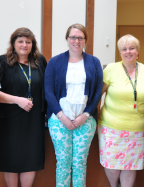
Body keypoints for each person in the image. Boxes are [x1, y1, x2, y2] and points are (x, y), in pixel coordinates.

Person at [44, 23, 103, 187]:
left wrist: (85, 115)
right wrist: (62, 116)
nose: (76, 40)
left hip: (86, 120)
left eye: (80, 37)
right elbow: (48, 91)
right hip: (59, 120)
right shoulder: (55, 62)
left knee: (80, 163)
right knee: (63, 163)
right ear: (67, 39)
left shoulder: (94, 62)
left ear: (85, 40)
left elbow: (98, 92)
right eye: (73, 37)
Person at [0, 28, 47, 187]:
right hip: (8, 122)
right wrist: (17, 100)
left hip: (33, 120)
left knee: (31, 158)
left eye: (28, 42)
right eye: (20, 41)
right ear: (13, 43)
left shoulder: (39, 61)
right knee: (10, 159)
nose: (24, 45)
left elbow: (47, 89)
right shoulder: (2, 62)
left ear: (32, 44)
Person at [98, 34, 144, 187]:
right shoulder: (111, 69)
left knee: (131, 166)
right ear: (120, 52)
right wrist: (94, 120)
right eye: (124, 49)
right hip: (111, 127)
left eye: (132, 48)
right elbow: (98, 96)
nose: (128, 52)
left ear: (138, 52)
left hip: (138, 128)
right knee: (112, 165)